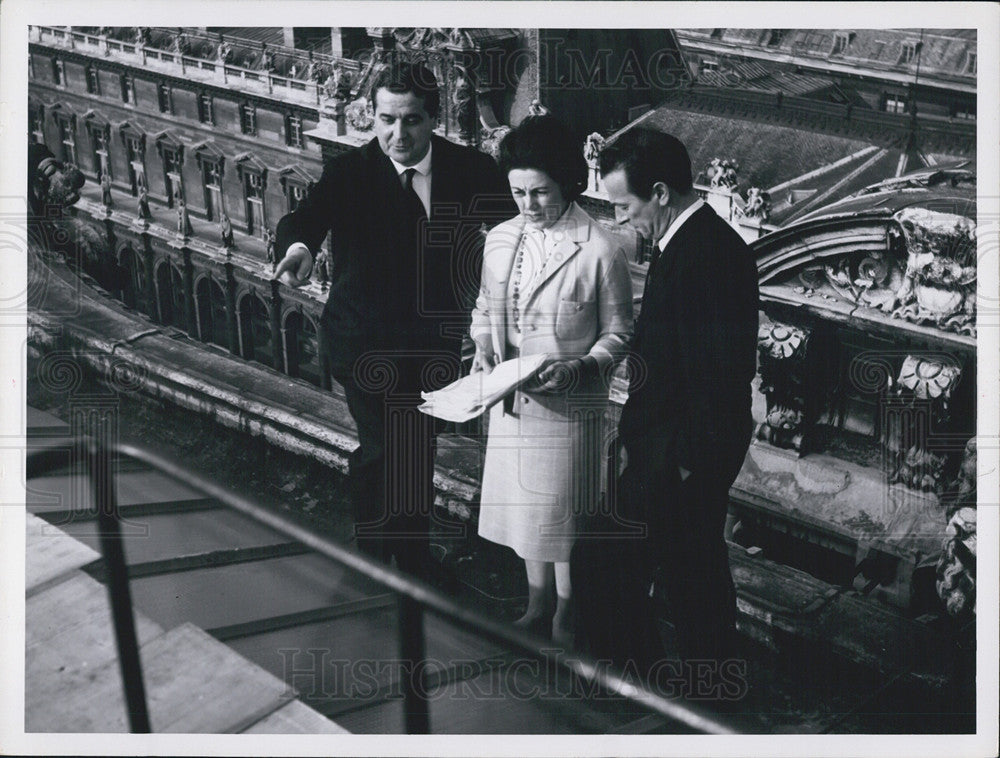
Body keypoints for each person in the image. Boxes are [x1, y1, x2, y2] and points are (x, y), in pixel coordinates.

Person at [274, 62, 513, 582]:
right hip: (363, 341)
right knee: (387, 446)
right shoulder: (351, 173)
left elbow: (511, 232)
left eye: (411, 121)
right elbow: (307, 218)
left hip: (434, 345)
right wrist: (298, 249)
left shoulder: (470, 169)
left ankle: (408, 554)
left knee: (416, 447)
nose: (397, 135)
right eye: (386, 119)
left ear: (434, 119)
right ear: (373, 116)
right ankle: (377, 554)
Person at [595, 129, 759, 673]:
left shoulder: (709, 256)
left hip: (682, 453)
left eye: (624, 206)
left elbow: (722, 371)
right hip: (664, 446)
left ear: (661, 192)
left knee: (688, 573)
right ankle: (669, 678)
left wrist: (689, 463)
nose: (620, 221)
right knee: (675, 568)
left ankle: (696, 689)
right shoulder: (688, 242)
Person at [470, 115, 633, 645]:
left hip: (568, 402)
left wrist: (581, 366)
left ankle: (567, 609)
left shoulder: (601, 249)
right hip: (511, 395)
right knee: (522, 509)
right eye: (517, 192)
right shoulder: (500, 239)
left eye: (539, 193)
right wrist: (481, 349)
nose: (527, 205)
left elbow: (619, 334)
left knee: (561, 512)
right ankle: (535, 600)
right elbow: (484, 307)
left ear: (567, 182)